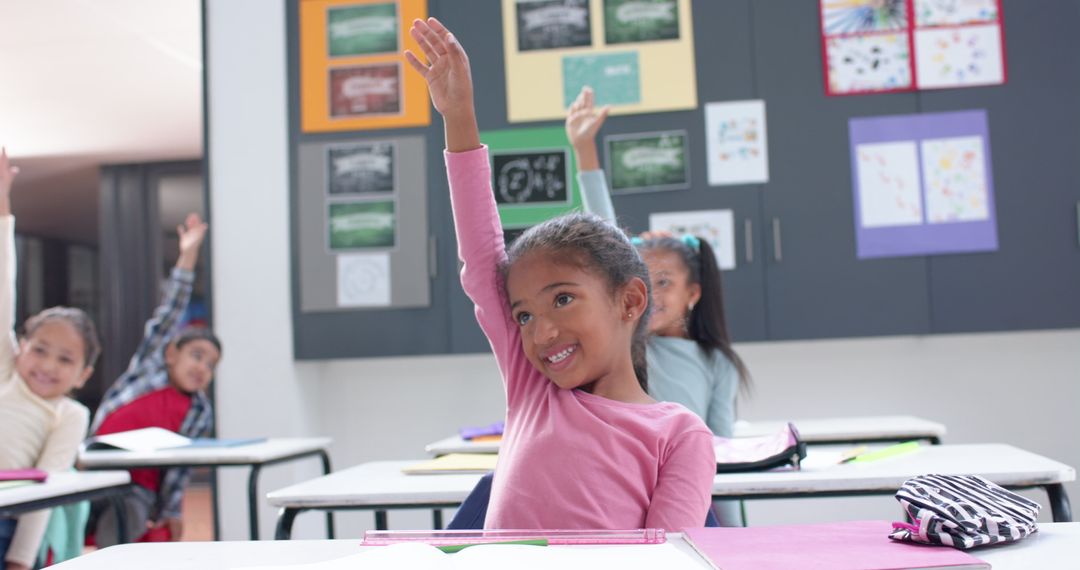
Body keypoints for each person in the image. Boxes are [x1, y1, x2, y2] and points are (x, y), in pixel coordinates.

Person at [405, 18, 715, 530]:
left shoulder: (679, 434)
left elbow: (668, 558)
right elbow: (482, 258)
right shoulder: (533, 388)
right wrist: (458, 117)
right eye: (523, 315)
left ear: (630, 302)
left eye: (563, 300)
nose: (541, 331)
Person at [566, 87, 752, 524]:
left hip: (685, 507)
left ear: (694, 293)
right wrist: (584, 149)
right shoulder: (626, 345)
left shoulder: (715, 361)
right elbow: (602, 233)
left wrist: (732, 537)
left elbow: (719, 457)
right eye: (642, 281)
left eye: (664, 282)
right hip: (619, 498)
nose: (650, 293)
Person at [88, 213, 221, 545]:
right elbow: (170, 311)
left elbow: (179, 472)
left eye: (211, 364)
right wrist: (188, 255)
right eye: (196, 355)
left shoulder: (199, 411)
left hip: (136, 488)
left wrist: (172, 512)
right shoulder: (150, 368)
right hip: (91, 468)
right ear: (172, 354)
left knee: (125, 523)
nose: (202, 367)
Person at [0, 147, 99, 570]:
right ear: (20, 346)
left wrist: (22, 560)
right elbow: (3, 288)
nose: (46, 365)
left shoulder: (69, 416)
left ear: (83, 374)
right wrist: (4, 208)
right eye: (39, 349)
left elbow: (48, 488)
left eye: (64, 359)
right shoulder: (7, 372)